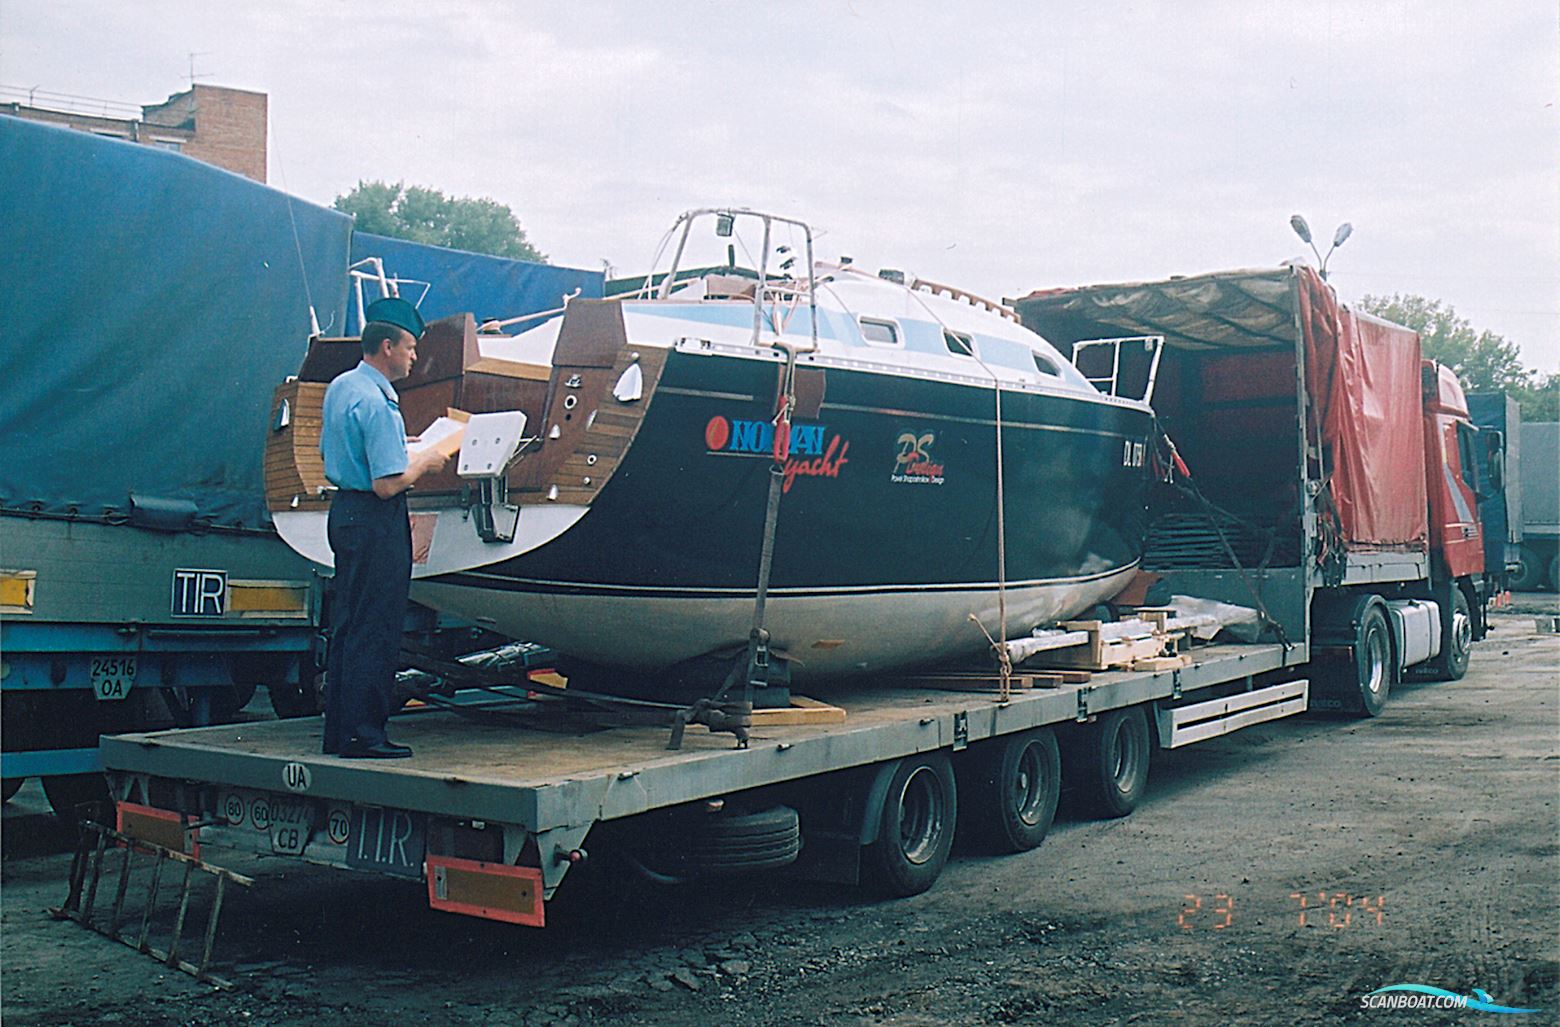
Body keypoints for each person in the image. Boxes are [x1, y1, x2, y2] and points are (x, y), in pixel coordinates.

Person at [319, 296, 450, 758]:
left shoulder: (342, 386)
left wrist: (403, 445)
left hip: (345, 515)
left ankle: (340, 732)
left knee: (349, 625)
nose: (415, 357)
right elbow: (387, 484)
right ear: (388, 346)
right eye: (411, 348)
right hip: (376, 519)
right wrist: (428, 460)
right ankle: (366, 735)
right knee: (376, 627)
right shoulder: (377, 402)